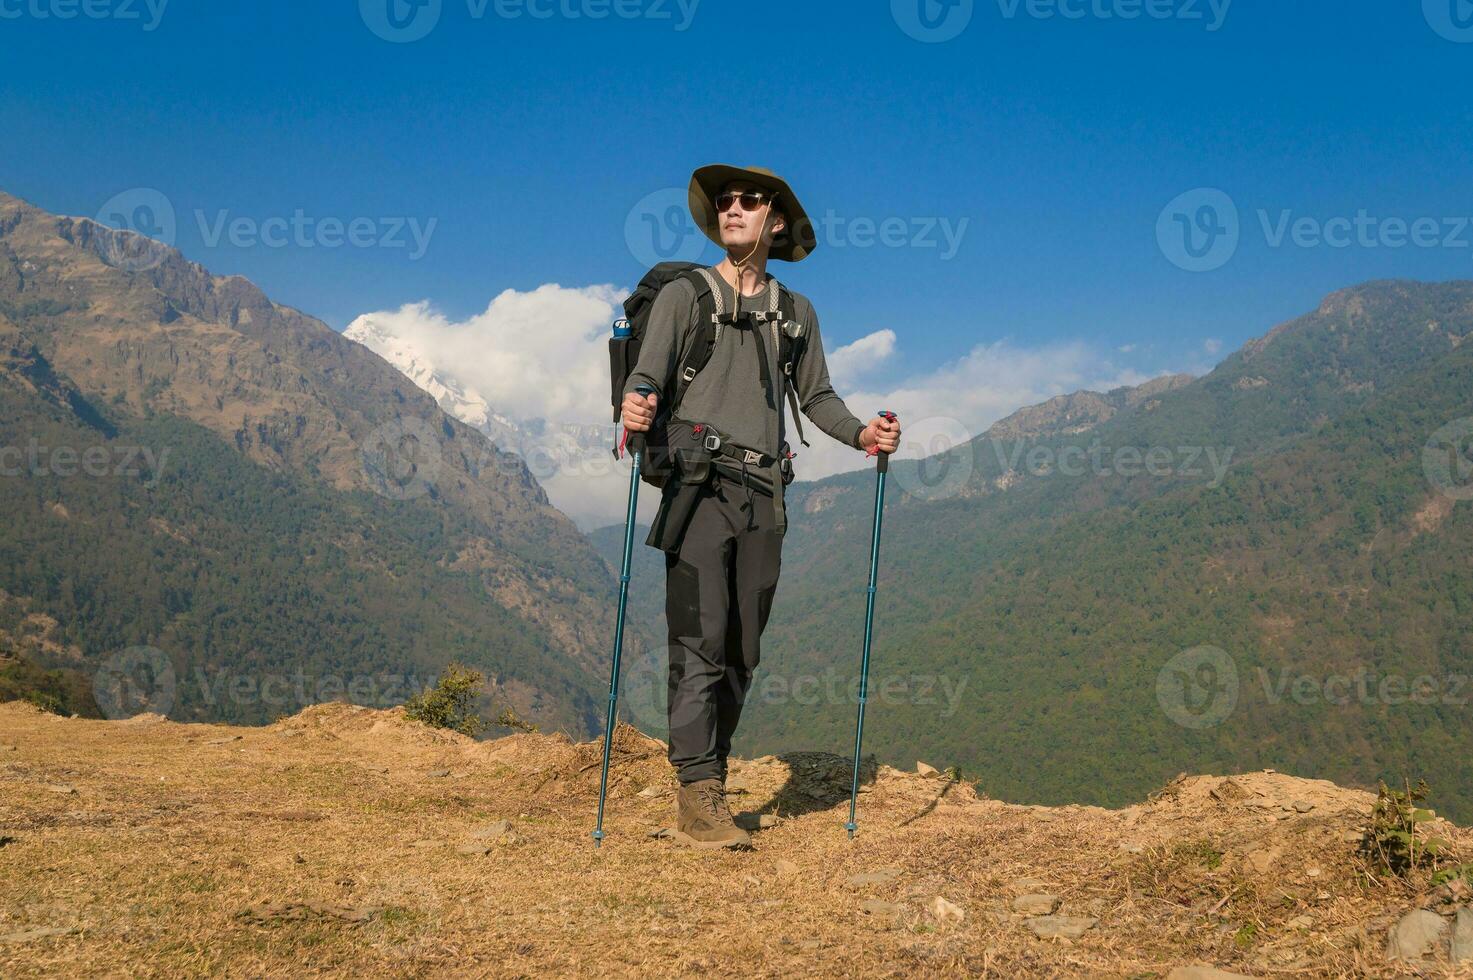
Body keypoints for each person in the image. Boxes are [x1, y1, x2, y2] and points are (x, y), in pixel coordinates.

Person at [620, 164, 901, 849]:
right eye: (724, 202)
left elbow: (817, 398)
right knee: (700, 639)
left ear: (776, 221)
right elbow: (647, 372)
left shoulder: (795, 313)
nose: (732, 209)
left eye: (748, 201)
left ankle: (711, 774)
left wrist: (864, 433)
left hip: (766, 493)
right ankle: (697, 790)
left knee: (743, 647)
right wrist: (635, 402)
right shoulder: (686, 295)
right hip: (698, 488)